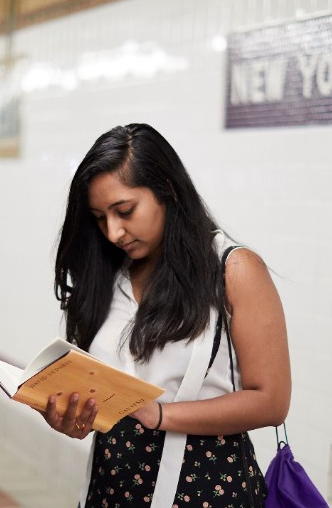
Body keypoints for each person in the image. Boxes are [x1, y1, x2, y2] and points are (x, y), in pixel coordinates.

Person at [49, 123, 291, 507]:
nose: (113, 232)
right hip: (109, 490)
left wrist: (159, 414)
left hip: (206, 491)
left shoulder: (233, 270)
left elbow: (271, 401)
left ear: (168, 190)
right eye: (99, 217)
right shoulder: (110, 275)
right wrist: (76, 417)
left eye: (124, 211)